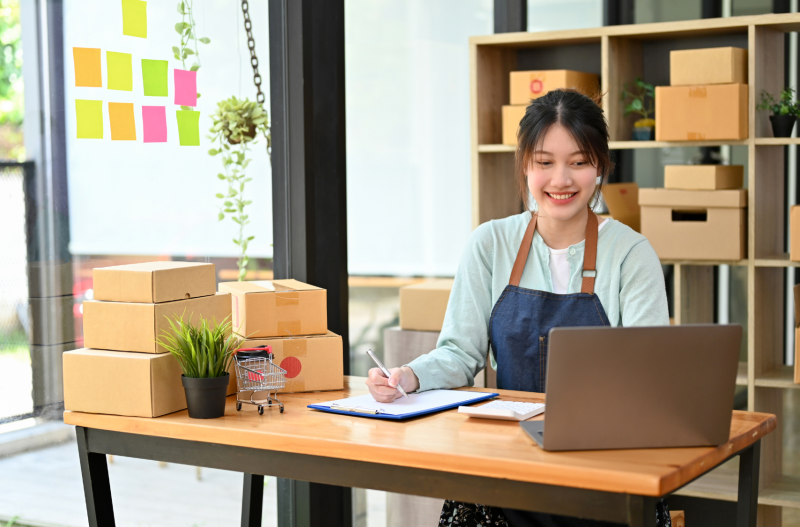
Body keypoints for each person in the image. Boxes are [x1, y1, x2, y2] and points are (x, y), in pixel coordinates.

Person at [366, 89, 670, 527]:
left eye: (579, 162)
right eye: (544, 162)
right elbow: (459, 353)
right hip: (506, 471)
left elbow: (650, 374)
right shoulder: (489, 244)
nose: (560, 180)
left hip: (604, 470)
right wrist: (407, 377)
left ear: (600, 166)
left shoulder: (631, 254)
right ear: (525, 165)